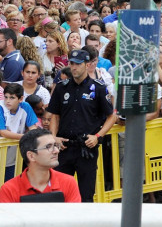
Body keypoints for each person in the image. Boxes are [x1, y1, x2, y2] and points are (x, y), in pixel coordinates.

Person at [47, 49, 116, 202]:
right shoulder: (61, 87)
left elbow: (112, 116)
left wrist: (98, 136)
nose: (74, 67)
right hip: (64, 147)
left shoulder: (98, 87)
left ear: (87, 65)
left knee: (86, 195)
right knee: (59, 194)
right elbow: (55, 115)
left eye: (78, 64)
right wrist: (53, 137)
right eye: (71, 63)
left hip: (87, 148)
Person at [0, 128, 81, 202]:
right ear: (31, 156)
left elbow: (74, 216)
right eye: (48, 147)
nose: (56, 151)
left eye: (55, 145)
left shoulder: (69, 182)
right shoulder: (9, 189)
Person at [0, 83, 38, 181]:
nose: (7, 101)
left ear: (20, 99)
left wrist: (31, 135)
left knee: (9, 184)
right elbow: (3, 132)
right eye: (6, 97)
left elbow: (33, 128)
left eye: (12, 98)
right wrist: (25, 137)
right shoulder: (0, 107)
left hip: (13, 157)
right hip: (2, 151)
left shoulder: (25, 107)